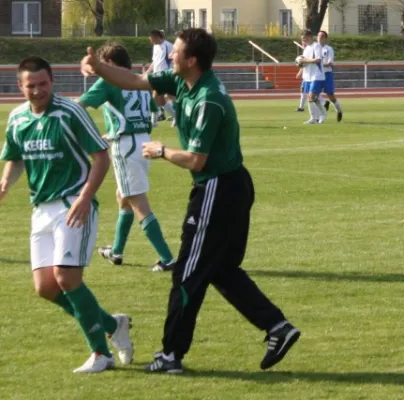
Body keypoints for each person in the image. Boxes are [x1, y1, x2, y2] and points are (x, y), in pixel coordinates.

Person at [81, 28, 300, 374]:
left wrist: (161, 150)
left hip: (218, 187)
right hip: (226, 185)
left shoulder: (208, 99)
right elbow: (135, 81)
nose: (170, 56)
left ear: (192, 60)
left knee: (187, 273)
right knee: (222, 269)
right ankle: (277, 327)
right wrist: (97, 65)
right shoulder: (184, 81)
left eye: (176, 52)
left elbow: (197, 159)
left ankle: (170, 354)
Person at [0, 56, 133, 373]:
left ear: (52, 81)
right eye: (32, 86)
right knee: (45, 288)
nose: (38, 91)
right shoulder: (17, 119)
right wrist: (5, 182)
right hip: (40, 209)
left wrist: (85, 197)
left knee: (67, 279)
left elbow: (100, 156)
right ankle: (113, 324)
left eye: (44, 84)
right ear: (21, 87)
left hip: (72, 205)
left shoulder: (71, 112)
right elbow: (15, 158)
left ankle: (101, 354)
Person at [77, 43, 175, 272]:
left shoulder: (109, 81)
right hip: (143, 142)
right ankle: (117, 251)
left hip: (126, 146)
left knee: (138, 202)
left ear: (109, 64)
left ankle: (168, 258)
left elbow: (80, 107)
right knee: (124, 196)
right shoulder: (138, 81)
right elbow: (156, 104)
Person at [144, 29, 176, 124]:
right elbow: (155, 61)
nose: (151, 41)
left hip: (165, 75)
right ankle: (176, 117)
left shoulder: (168, 45)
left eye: (152, 39)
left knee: (156, 98)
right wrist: (148, 71)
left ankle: (153, 122)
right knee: (161, 100)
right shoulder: (155, 46)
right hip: (156, 75)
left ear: (157, 37)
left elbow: (175, 59)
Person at [298, 29, 327, 124]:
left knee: (312, 96)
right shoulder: (306, 49)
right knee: (310, 98)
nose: (304, 41)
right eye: (302, 39)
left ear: (310, 37)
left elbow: (318, 60)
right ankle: (313, 118)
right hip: (307, 76)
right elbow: (306, 62)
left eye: (305, 38)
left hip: (317, 75)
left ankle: (323, 114)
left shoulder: (317, 46)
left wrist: (305, 61)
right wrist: (300, 64)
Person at [318, 31, 343, 122]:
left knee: (330, 95)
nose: (319, 38)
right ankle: (319, 116)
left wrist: (320, 64)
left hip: (327, 74)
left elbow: (330, 63)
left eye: (321, 36)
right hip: (317, 74)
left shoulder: (329, 49)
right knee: (313, 94)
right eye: (318, 36)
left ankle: (339, 110)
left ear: (325, 38)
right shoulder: (314, 48)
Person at [295, 40, 307, 112]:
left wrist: (299, 72)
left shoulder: (308, 51)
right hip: (306, 76)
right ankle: (301, 107)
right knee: (305, 91)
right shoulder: (306, 51)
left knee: (309, 93)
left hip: (308, 76)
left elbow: (305, 64)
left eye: (304, 41)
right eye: (302, 42)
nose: (302, 43)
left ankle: (324, 102)